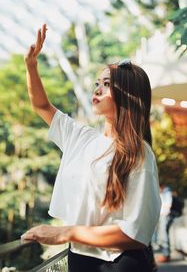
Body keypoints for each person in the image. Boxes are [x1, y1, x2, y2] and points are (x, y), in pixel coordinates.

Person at [21, 24, 161, 272]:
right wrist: (31, 65)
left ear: (127, 93)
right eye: (97, 83)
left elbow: (135, 235)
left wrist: (67, 232)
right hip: (80, 259)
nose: (97, 89)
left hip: (118, 264)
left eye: (106, 84)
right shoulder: (81, 138)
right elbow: (42, 106)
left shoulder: (139, 154)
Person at [155, 184, 175, 263]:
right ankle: (166, 254)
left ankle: (166, 254)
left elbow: (168, 205)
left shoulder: (167, 192)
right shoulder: (164, 191)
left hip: (165, 216)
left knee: (164, 235)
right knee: (163, 235)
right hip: (162, 215)